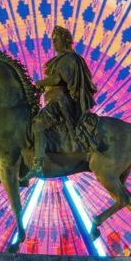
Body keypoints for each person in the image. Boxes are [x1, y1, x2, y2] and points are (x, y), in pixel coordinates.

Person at [22, 25, 98, 182]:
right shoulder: (60, 59)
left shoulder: (69, 58)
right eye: (53, 40)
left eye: (56, 40)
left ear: (65, 40)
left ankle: (38, 165)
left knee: (38, 124)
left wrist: (40, 82)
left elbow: (57, 79)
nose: (54, 43)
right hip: (52, 101)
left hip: (61, 102)